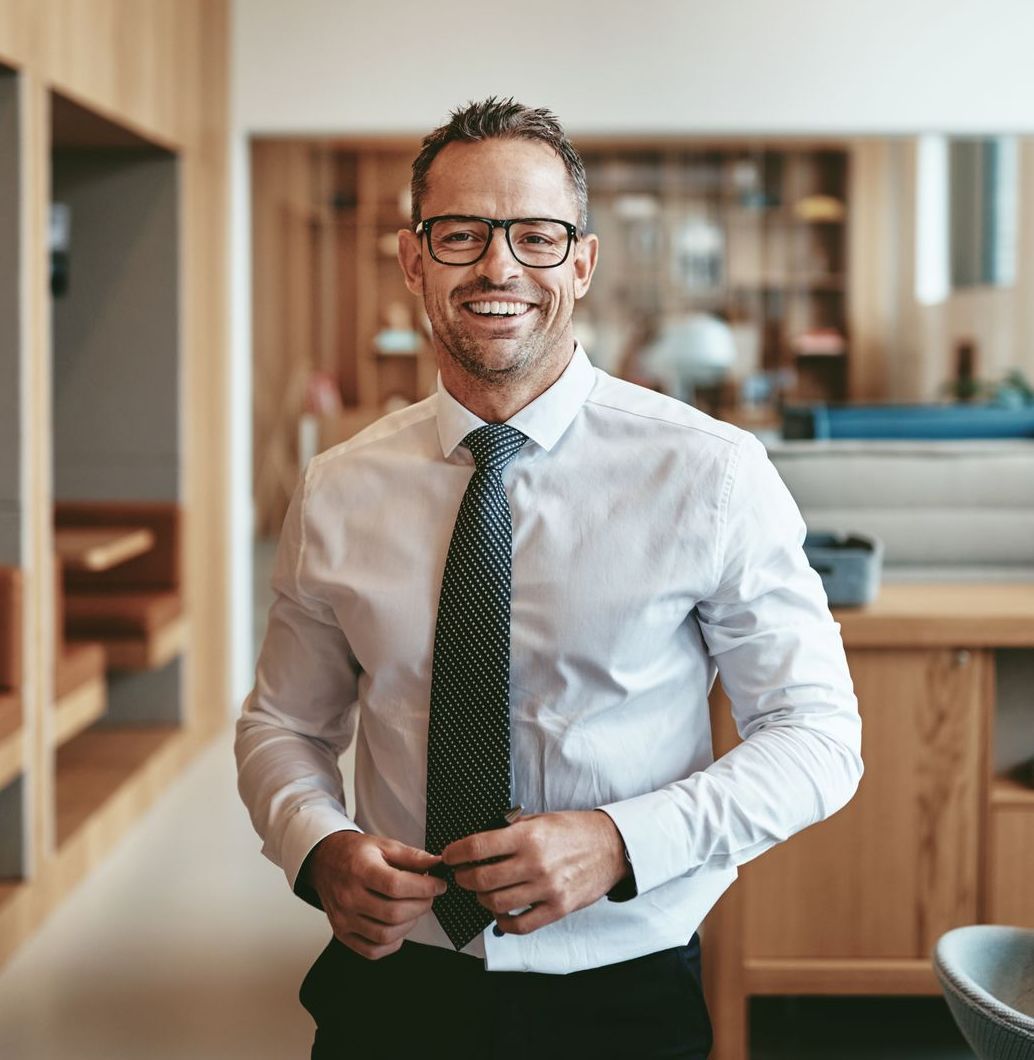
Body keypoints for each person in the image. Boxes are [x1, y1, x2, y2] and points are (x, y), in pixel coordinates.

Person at [235, 97, 863, 1060]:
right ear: (413, 260)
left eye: (536, 235)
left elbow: (818, 737)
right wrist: (317, 845)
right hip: (393, 985)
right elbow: (283, 723)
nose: (499, 266)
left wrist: (622, 841)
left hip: (624, 987)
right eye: (461, 235)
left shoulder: (711, 472)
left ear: (581, 262)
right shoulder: (338, 487)